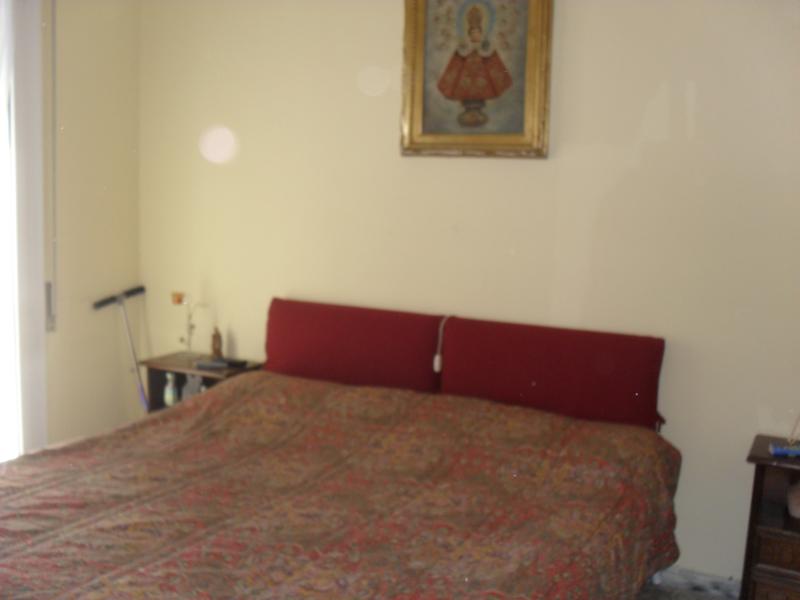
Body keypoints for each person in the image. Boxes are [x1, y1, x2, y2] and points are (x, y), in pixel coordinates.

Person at [437, 4, 512, 127]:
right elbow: (457, 59)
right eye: (473, 33)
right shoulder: (464, 46)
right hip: (465, 81)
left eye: (478, 33)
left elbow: (491, 58)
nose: (475, 35)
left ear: (482, 33)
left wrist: (485, 52)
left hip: (482, 80)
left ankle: (477, 111)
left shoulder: (485, 46)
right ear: (468, 33)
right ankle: (468, 111)